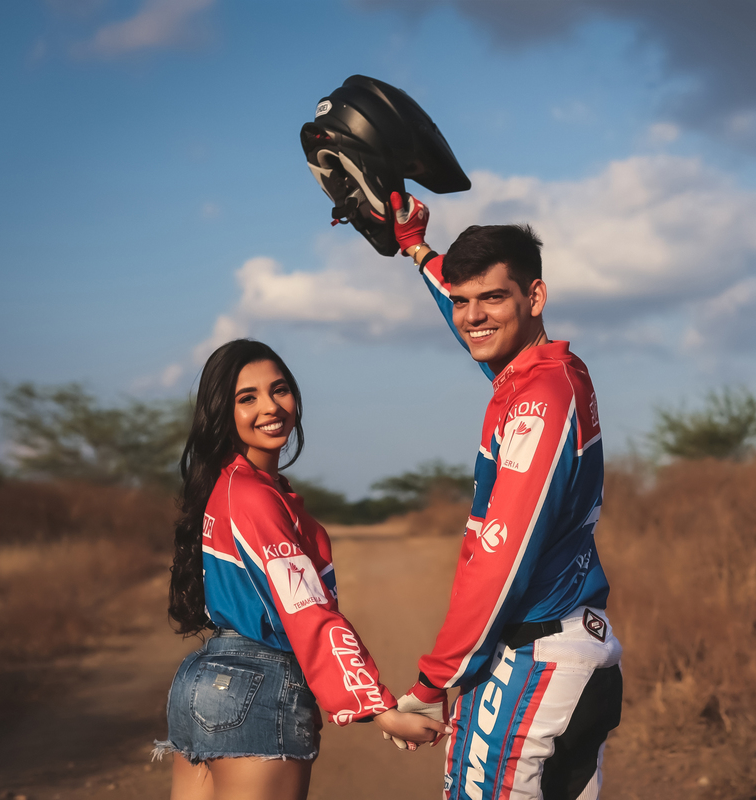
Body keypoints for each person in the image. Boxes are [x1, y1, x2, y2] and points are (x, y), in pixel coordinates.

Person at [380, 192, 623, 800]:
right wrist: (416, 250)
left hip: (536, 658)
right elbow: (476, 322)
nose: (472, 316)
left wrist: (435, 683)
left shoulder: (538, 402)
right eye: (463, 301)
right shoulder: (542, 373)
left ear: (534, 297)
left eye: (493, 297)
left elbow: (503, 558)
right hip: (572, 649)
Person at [155, 338, 448, 800]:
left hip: (204, 681)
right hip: (256, 686)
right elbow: (307, 612)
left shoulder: (230, 486)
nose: (270, 407)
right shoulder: (253, 496)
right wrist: (378, 707)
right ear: (222, 412)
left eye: (280, 389)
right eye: (246, 398)